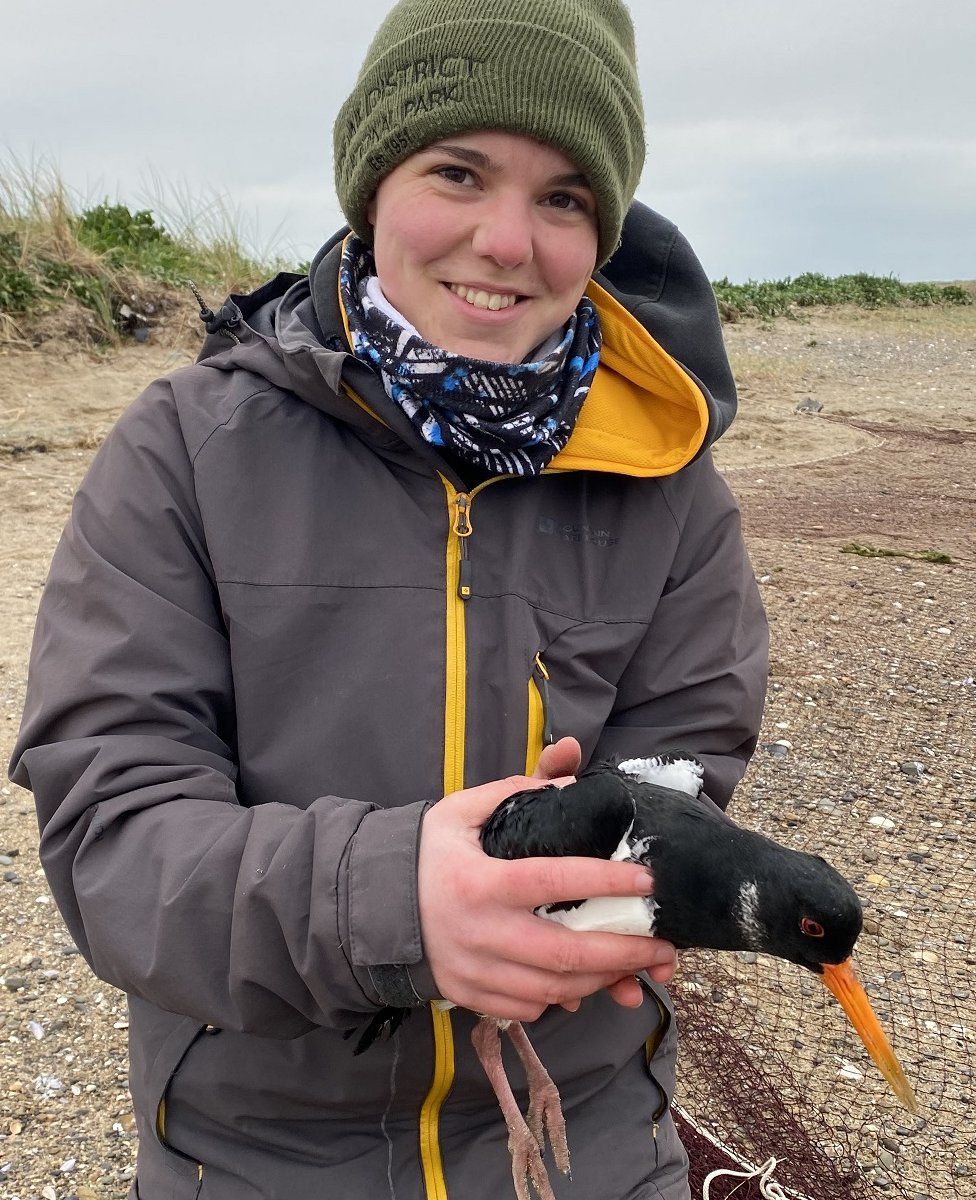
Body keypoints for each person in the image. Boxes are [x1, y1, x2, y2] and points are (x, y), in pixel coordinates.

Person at [10, 1, 769, 1197]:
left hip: (592, 1141)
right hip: (256, 1153)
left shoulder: (668, 485)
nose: (507, 241)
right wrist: (395, 905)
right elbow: (113, 833)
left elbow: (688, 762)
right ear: (371, 187)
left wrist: (605, 893)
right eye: (457, 172)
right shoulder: (184, 449)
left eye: (565, 197)